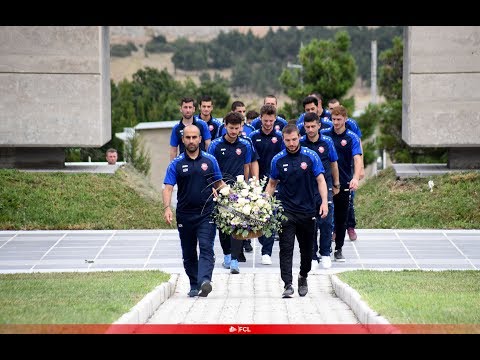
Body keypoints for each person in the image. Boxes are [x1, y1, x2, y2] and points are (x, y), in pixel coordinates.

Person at [266, 124, 328, 298]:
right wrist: (263, 205)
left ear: (299, 137)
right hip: (286, 211)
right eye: (287, 140)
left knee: (307, 251)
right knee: (285, 248)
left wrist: (324, 202)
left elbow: (321, 181)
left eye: (294, 139)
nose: (291, 143)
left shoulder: (311, 157)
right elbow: (271, 184)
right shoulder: (277, 160)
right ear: (283, 140)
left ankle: (303, 275)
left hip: (308, 211)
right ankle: (287, 284)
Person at [163, 125, 225, 298]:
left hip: (207, 213)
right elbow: (168, 188)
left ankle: (205, 281)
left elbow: (219, 183)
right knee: (189, 252)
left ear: (200, 139)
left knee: (206, 247)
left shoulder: (210, 160)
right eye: (188, 138)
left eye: (194, 137)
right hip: (185, 214)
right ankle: (193, 283)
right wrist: (167, 208)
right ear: (183, 140)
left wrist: (237, 199)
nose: (191, 141)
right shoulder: (176, 164)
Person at [208, 112, 255, 274]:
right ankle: (227, 255)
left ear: (241, 127)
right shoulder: (215, 145)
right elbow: (210, 168)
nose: (234, 131)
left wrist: (247, 187)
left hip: (239, 191)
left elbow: (247, 167)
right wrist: (213, 187)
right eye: (231, 128)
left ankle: (235, 259)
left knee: (238, 224)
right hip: (220, 190)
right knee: (224, 226)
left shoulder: (245, 145)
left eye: (237, 128)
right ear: (225, 126)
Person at [322, 106, 363, 262]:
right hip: (326, 182)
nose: (336, 122)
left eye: (339, 119)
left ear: (345, 119)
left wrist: (356, 178)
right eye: (333, 119)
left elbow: (357, 158)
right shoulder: (325, 135)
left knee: (341, 218)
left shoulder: (351, 137)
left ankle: (338, 249)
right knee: (323, 217)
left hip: (344, 181)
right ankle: (322, 249)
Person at [300, 112, 339, 270]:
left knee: (326, 220)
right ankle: (312, 255)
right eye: (307, 126)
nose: (310, 129)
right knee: (310, 222)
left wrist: (336, 183)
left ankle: (325, 254)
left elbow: (334, 163)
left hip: (325, 185)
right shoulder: (300, 142)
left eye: (313, 126)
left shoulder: (327, 142)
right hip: (307, 187)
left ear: (319, 126)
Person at [249, 104, 285, 265]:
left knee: (271, 215)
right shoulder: (253, 137)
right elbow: (250, 160)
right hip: (257, 181)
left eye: (271, 121)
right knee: (257, 216)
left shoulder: (280, 137)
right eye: (265, 120)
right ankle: (262, 241)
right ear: (260, 119)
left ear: (275, 119)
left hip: (275, 182)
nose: (268, 123)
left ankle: (266, 252)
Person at [169, 97, 212, 161]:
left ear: (194, 109)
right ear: (181, 109)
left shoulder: (202, 125)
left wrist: (209, 162)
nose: (188, 110)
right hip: (184, 164)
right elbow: (173, 151)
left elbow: (208, 145)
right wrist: (173, 168)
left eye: (190, 107)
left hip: (201, 163)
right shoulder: (176, 128)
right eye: (185, 107)